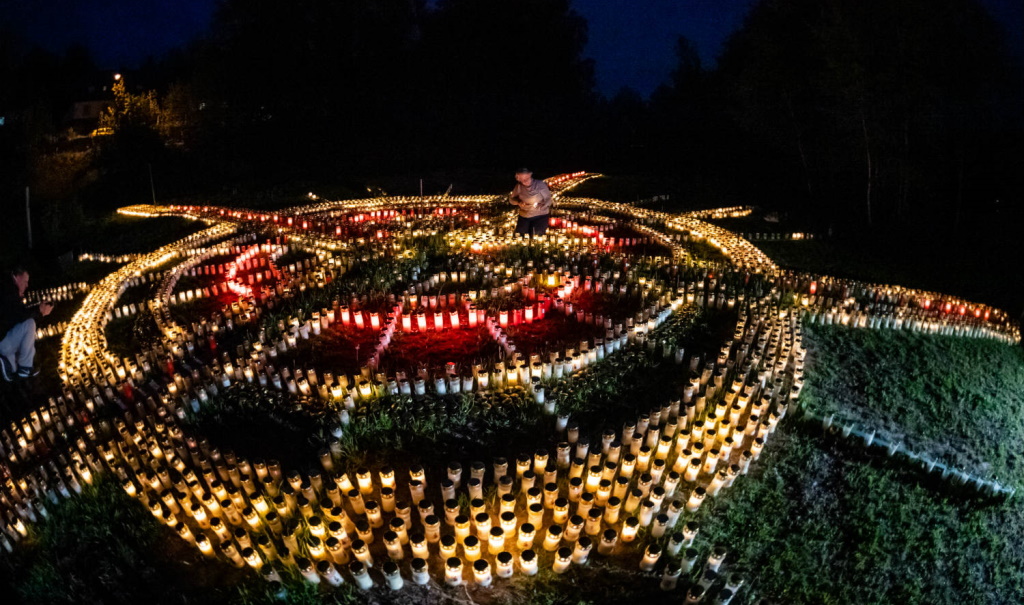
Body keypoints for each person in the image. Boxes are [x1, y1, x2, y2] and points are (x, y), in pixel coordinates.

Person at [0, 265, 52, 381]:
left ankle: (7, 361)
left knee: (13, 370)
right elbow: (20, 315)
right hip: (3, 340)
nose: (27, 285)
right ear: (17, 278)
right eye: (25, 281)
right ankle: (25, 367)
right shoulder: (9, 290)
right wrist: (39, 311)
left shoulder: (6, 289)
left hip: (5, 336)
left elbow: (13, 314)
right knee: (30, 324)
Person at [509, 167, 553, 237]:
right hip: (524, 216)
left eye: (526, 179)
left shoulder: (540, 185)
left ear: (530, 176)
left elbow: (548, 199)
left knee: (537, 237)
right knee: (520, 237)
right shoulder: (519, 187)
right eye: (522, 180)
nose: (524, 182)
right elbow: (511, 199)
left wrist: (543, 206)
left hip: (540, 216)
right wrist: (518, 202)